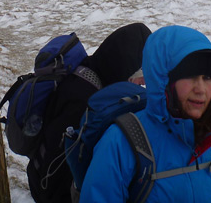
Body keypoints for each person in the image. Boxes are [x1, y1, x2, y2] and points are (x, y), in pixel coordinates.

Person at [80, 25, 211, 202]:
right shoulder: (121, 143)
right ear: (163, 80)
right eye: (190, 76)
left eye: (208, 77)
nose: (201, 89)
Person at [26, 22, 152, 203]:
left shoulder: (93, 70)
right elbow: (59, 168)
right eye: (140, 73)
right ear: (125, 65)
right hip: (49, 189)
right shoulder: (85, 100)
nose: (141, 82)